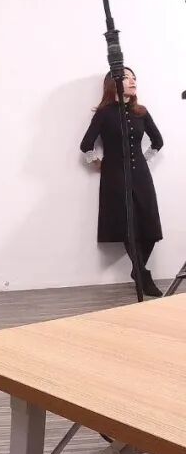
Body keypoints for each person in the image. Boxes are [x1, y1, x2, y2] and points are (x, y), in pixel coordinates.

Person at [80, 67, 165, 297]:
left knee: (149, 225)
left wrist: (144, 159)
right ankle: (143, 275)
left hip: (141, 176)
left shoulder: (141, 112)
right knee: (128, 225)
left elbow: (158, 141)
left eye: (134, 78)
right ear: (113, 83)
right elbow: (86, 144)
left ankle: (138, 271)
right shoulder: (104, 114)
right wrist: (97, 163)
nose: (133, 81)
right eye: (127, 78)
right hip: (115, 177)